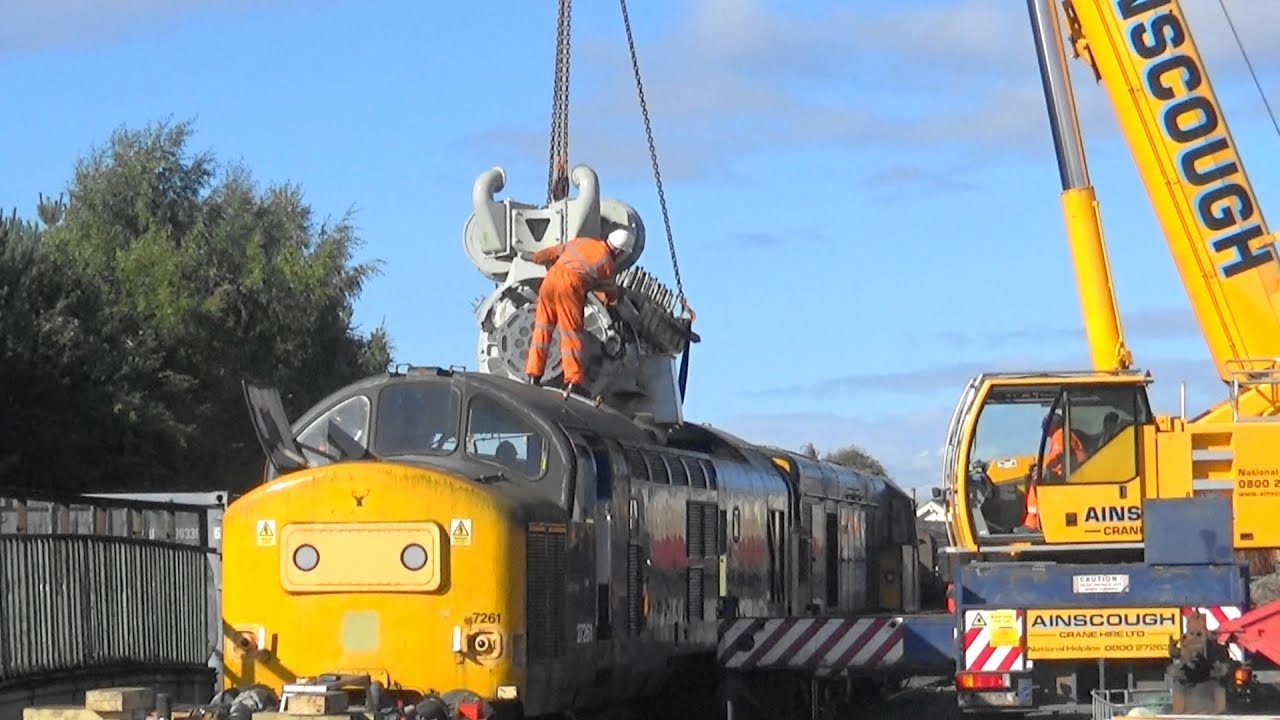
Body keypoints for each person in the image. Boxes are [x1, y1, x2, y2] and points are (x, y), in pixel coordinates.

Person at [522, 228, 635, 395]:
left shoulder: (583, 242)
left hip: (550, 281)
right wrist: (615, 305)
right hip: (570, 286)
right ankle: (573, 382)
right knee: (571, 334)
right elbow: (609, 293)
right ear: (619, 251)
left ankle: (533, 375)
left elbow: (553, 252)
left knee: (542, 331)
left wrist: (533, 257)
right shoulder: (607, 264)